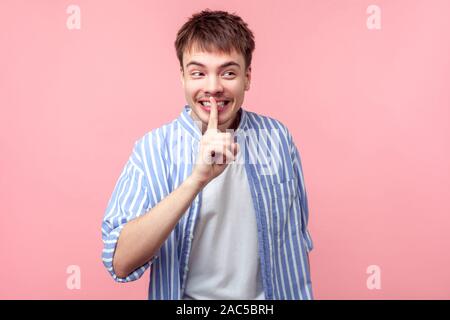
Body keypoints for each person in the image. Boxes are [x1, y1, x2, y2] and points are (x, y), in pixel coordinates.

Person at [101, 9, 314, 300]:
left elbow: (296, 242)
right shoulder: (152, 150)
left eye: (228, 72)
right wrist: (196, 180)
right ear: (183, 78)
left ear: (247, 78)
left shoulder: (278, 139)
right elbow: (120, 262)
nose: (213, 88)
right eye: (198, 73)